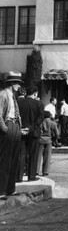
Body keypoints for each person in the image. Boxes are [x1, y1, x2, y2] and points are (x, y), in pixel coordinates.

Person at [0, 71, 23, 200]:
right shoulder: (3, 95)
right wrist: (4, 129)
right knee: (5, 159)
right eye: (18, 84)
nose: (19, 86)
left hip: (15, 127)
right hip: (8, 127)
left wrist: (19, 128)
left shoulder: (13, 96)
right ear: (12, 83)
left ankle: (11, 189)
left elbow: (16, 112)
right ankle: (2, 190)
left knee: (14, 159)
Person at [17, 87, 44, 182]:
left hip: (21, 131)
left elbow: (17, 116)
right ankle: (31, 176)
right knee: (33, 154)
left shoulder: (19, 103)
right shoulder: (39, 104)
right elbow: (40, 118)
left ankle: (18, 176)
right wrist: (31, 128)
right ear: (35, 93)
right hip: (34, 132)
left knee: (21, 154)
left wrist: (23, 127)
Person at [38, 110, 57, 176]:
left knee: (38, 156)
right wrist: (54, 140)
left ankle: (36, 170)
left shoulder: (40, 123)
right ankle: (45, 171)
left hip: (40, 140)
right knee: (47, 157)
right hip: (49, 140)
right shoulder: (53, 123)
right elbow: (56, 134)